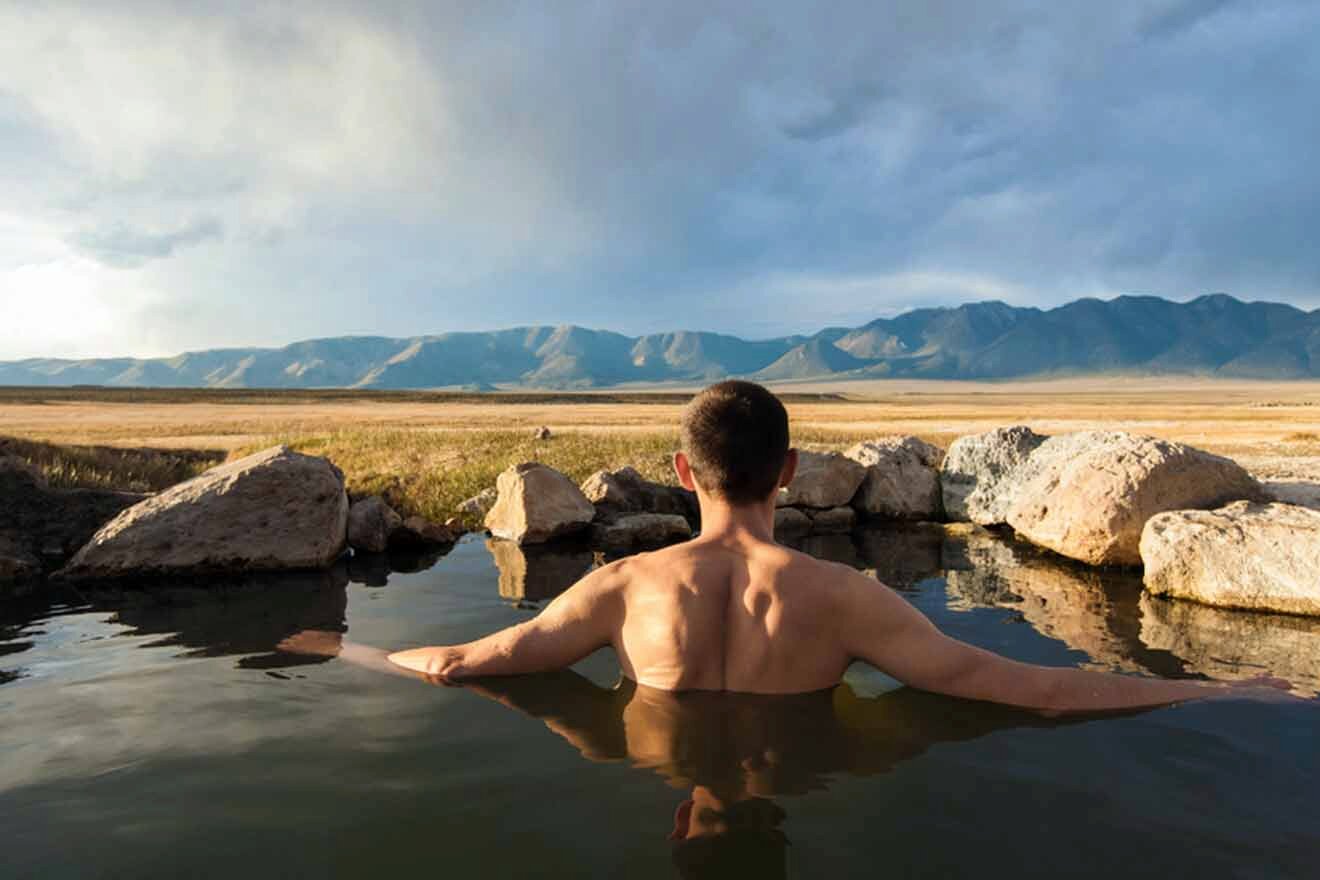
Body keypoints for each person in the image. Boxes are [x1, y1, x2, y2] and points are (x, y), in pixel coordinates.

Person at [377, 380, 1289, 710]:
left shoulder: (621, 589)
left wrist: (344, 646)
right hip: (803, 756)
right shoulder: (847, 599)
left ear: (683, 475)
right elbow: (1027, 687)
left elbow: (464, 662)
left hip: (659, 748)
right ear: (790, 472)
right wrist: (1218, 694)